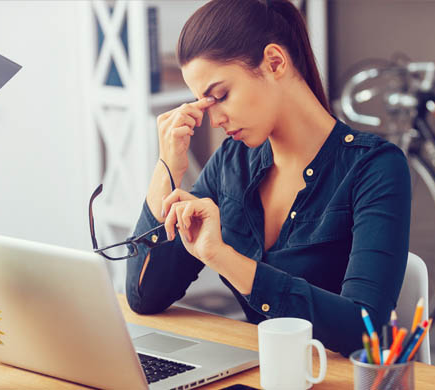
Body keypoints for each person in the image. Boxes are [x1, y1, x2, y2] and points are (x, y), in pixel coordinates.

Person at [125, 0, 411, 356]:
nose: (214, 120)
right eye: (205, 103)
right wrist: (168, 166)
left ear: (275, 62)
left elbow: (363, 326)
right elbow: (144, 297)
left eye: (221, 95)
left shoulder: (375, 167)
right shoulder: (231, 162)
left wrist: (223, 258)